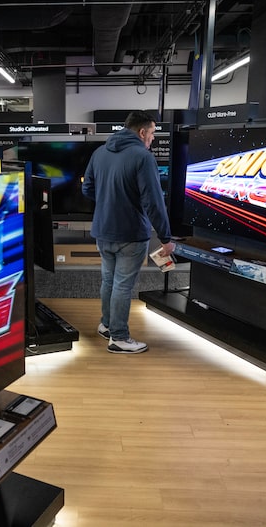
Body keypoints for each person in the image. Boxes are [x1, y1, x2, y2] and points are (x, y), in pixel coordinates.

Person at [82, 110, 176, 354]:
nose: (153, 138)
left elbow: (87, 189)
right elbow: (153, 202)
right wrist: (166, 238)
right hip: (131, 233)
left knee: (109, 281)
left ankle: (107, 325)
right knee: (122, 285)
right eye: (153, 133)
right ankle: (119, 337)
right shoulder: (142, 157)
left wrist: (108, 203)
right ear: (142, 132)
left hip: (103, 230)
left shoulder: (99, 152)